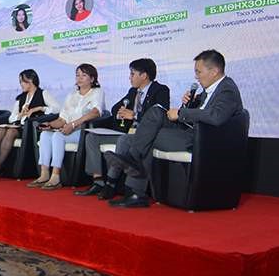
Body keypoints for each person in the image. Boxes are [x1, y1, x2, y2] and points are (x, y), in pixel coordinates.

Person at [103, 50, 243, 208]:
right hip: (189, 132)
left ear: (214, 71)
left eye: (199, 72)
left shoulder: (227, 89)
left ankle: (135, 183)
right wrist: (188, 104)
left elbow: (216, 116)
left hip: (201, 140)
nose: (196, 77)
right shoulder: (207, 92)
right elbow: (199, 113)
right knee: (156, 112)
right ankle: (133, 182)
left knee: (148, 137)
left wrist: (182, 112)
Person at [75, 58, 170, 199]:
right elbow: (115, 109)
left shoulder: (160, 90)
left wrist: (135, 115)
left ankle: (110, 184)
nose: (129, 77)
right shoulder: (133, 91)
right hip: (126, 132)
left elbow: (158, 116)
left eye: (132, 74)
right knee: (92, 138)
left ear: (144, 75)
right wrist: (120, 113)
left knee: (123, 140)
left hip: (143, 137)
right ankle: (98, 181)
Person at [29, 63, 105, 190]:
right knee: (45, 134)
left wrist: (74, 124)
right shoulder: (71, 95)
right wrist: (50, 124)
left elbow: (96, 112)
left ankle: (56, 176)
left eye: (84, 75)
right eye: (77, 75)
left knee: (58, 136)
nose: (79, 78)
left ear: (92, 79)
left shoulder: (97, 92)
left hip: (83, 130)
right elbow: (62, 119)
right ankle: (44, 174)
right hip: (68, 130)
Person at [0, 69, 59, 181]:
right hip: (18, 125)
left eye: (23, 81)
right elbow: (11, 118)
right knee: (1, 130)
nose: (21, 84)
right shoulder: (21, 98)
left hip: (30, 129)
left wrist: (40, 108)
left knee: (10, 132)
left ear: (31, 80)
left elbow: (57, 108)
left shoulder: (43, 93)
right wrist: (20, 115)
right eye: (20, 81)